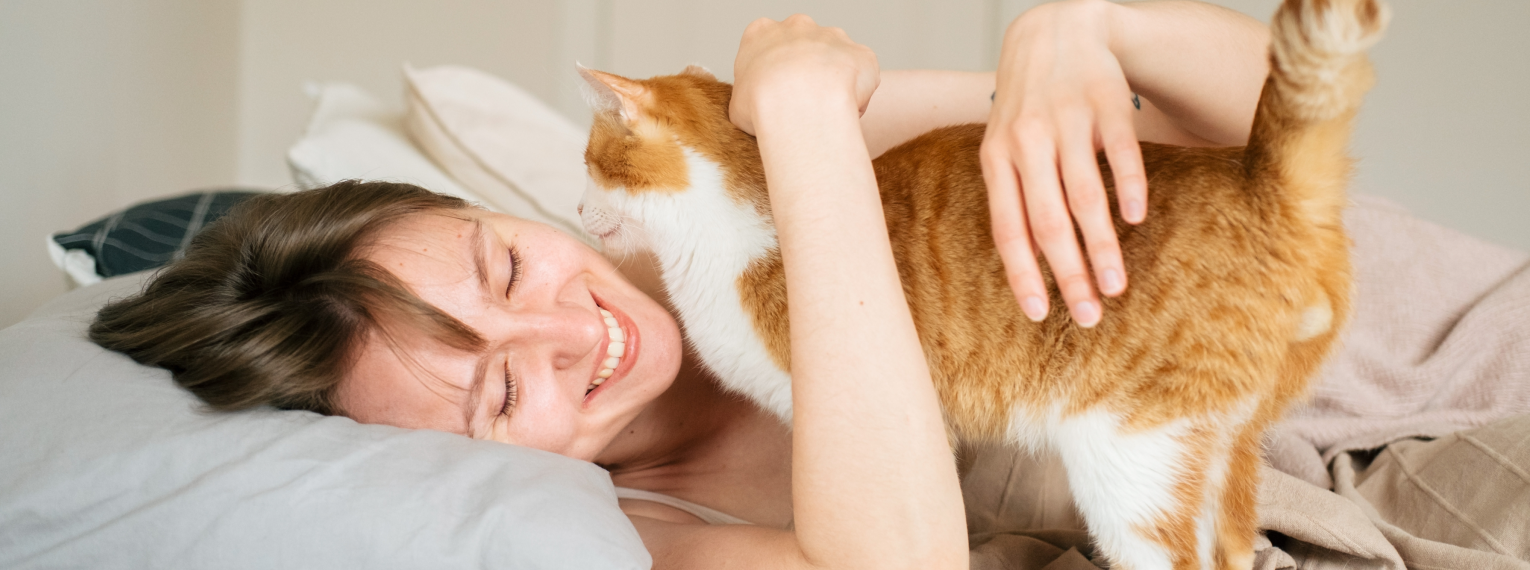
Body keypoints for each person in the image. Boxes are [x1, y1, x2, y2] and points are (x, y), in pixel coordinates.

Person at [89, 1, 1271, 567]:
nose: (568, 333)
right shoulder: (647, 534)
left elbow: (1270, 131)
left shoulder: (714, 186)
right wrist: (809, 131)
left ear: (494, 212)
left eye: (509, 266)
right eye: (503, 394)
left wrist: (1081, 29)